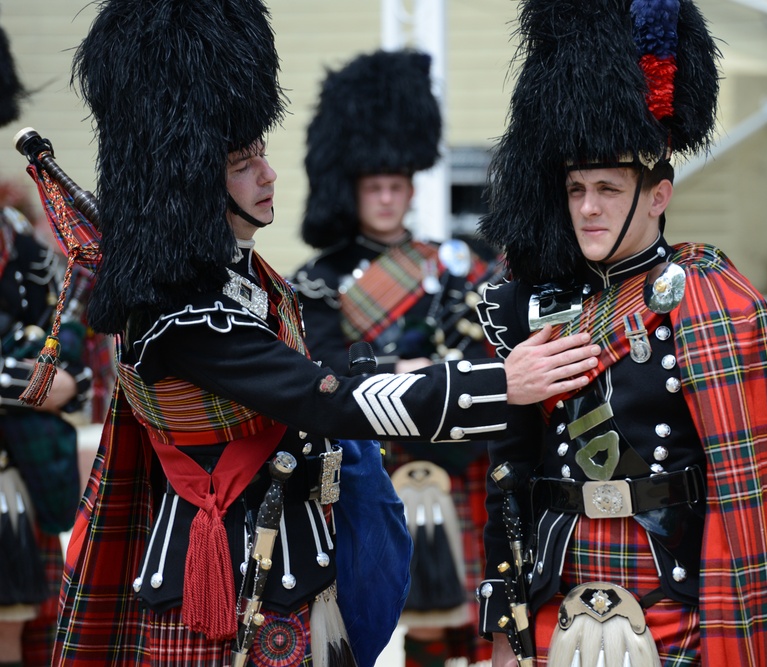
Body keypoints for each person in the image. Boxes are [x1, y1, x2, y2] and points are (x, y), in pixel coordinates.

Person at [46, 2, 599, 666]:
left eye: (262, 155)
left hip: (299, 552)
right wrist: (496, 384)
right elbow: (326, 397)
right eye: (244, 163)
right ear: (194, 179)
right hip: (228, 577)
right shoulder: (185, 318)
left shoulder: (235, 282)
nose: (269, 174)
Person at [472, 1, 767, 665]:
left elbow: (746, 493)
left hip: (668, 595)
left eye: (607, 186)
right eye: (575, 189)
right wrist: (505, 616)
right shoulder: (532, 302)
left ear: (659, 194)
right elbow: (511, 471)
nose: (589, 207)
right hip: (557, 586)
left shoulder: (710, 299)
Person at [291, 50, 497, 667]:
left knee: (449, 625)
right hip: (369, 463)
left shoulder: (457, 263)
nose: (385, 199)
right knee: (358, 615)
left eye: (396, 185)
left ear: (412, 186)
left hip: (450, 457)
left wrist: (401, 373)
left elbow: (482, 351)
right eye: (373, 186)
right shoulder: (317, 280)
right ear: (352, 187)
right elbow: (324, 371)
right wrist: (408, 375)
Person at [0, 20, 92, 667]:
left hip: (24, 478)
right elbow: (51, 381)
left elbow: (75, 364)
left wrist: (62, 379)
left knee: (28, 637)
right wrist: (36, 383)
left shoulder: (16, 231)